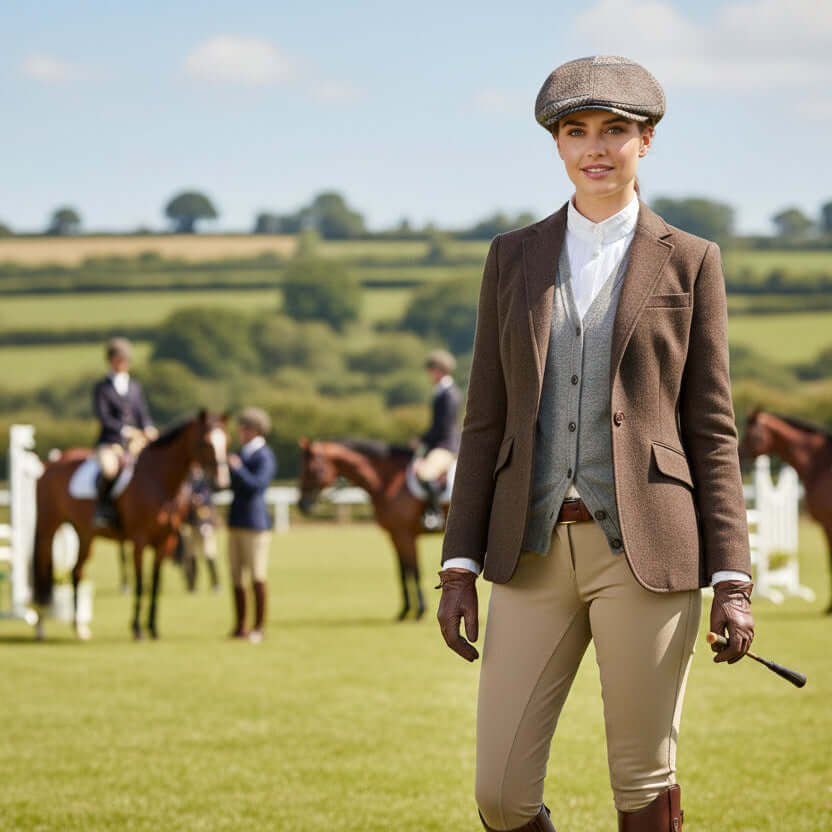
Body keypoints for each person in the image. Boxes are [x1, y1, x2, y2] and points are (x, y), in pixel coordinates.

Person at [436, 56, 755, 831]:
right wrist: (456, 566)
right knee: (500, 793)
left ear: (647, 139)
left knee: (642, 782)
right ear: (557, 146)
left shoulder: (690, 259)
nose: (595, 147)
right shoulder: (511, 257)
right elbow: (484, 420)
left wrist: (733, 579)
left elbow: (711, 429)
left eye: (615, 130)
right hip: (530, 549)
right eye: (576, 131)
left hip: (647, 550)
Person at [93, 337, 157, 527]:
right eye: (119, 359)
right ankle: (103, 509)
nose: (122, 363)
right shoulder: (102, 388)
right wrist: (124, 430)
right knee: (109, 468)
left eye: (125, 359)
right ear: (111, 361)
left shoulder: (135, 386)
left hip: (136, 440)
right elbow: (104, 417)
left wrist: (148, 427)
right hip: (111, 442)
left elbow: (142, 413)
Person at [227, 407, 277, 644]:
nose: (240, 431)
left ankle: (259, 626)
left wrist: (238, 469)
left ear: (255, 430)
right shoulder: (241, 454)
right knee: (236, 576)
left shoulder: (264, 455)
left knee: (257, 574)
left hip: (255, 523)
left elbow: (257, 484)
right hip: (236, 520)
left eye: (244, 428)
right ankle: (240, 626)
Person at [412, 349, 462, 530]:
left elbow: (443, 427)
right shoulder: (441, 392)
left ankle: (435, 514)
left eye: (431, 370)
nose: (429, 374)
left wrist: (423, 440)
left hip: (446, 446)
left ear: (440, 370)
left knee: (424, 473)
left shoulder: (448, 394)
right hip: (439, 444)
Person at [181, 464, 220, 592]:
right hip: (190, 523)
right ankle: (192, 584)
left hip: (204, 522)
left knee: (209, 553)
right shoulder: (185, 480)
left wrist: (207, 521)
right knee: (191, 555)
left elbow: (207, 500)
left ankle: (215, 584)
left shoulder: (205, 481)